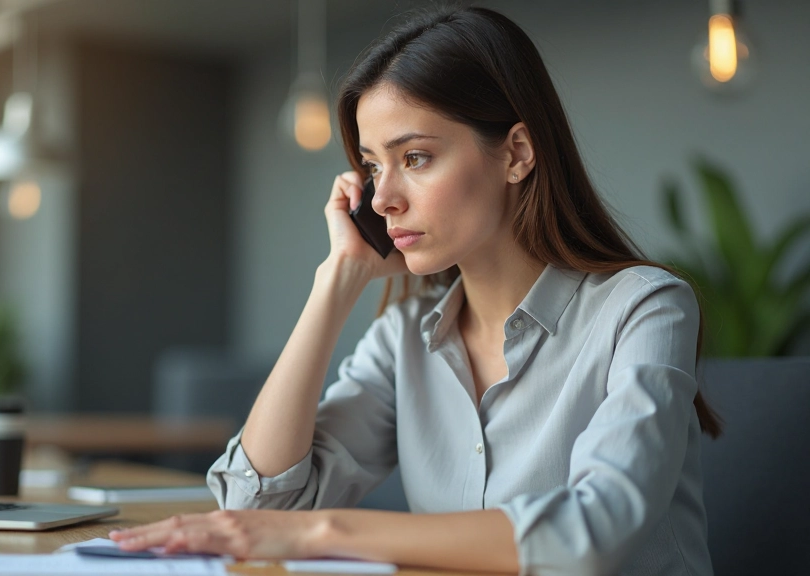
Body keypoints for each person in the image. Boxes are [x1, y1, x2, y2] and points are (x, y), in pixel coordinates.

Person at [109, 6, 720, 575]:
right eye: (373, 166)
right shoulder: (403, 339)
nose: (381, 199)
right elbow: (255, 504)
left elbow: (594, 529)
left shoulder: (644, 307)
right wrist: (336, 281)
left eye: (416, 158)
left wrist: (325, 532)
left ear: (517, 153)